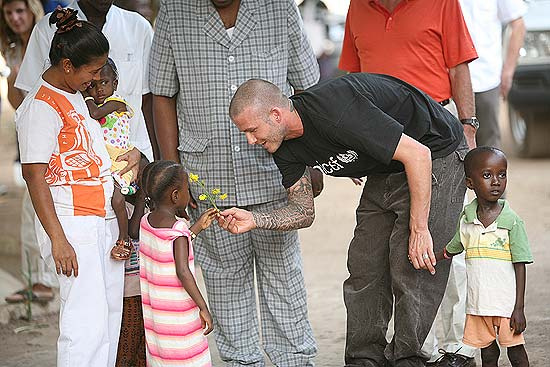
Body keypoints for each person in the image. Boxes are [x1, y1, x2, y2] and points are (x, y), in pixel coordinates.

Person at [220, 74, 469, 367]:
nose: (250, 141)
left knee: (413, 264)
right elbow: (303, 211)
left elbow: (418, 155)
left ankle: (408, 358)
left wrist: (419, 228)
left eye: (252, 130)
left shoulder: (335, 110)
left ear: (275, 114)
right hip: (387, 165)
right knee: (365, 265)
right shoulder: (282, 143)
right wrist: (254, 219)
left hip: (435, 152)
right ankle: (364, 359)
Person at [149, 0, 320, 365]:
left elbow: (307, 86)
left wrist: (312, 159)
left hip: (275, 174)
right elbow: (162, 95)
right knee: (225, 283)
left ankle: (294, 359)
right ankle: (242, 361)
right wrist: (173, 170)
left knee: (283, 281)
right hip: (206, 181)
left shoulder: (279, 8)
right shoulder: (174, 12)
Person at [338, 2, 479, 364]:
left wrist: (468, 127)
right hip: (380, 135)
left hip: (439, 131)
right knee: (393, 251)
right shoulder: (358, 7)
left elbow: (458, 65)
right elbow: (351, 78)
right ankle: (419, 350)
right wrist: (353, 142)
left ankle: (458, 345)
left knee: (443, 243)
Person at [15, 7, 141, 366]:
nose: (97, 77)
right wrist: (58, 239)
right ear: (68, 64)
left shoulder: (72, 94)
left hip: (99, 219)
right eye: (93, 70)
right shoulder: (40, 105)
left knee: (105, 322)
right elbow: (34, 175)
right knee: (84, 327)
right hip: (72, 226)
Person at [14, 0, 156, 161]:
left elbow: (148, 100)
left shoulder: (139, 27)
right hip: (71, 160)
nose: (96, 79)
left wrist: (147, 157)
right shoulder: (47, 29)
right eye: (93, 72)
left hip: (130, 154)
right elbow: (34, 98)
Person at [434, 147, 532, 367]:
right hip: (478, 306)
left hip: (506, 307)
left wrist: (519, 308)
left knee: (516, 353)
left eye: (502, 174)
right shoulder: (466, 219)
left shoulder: (512, 222)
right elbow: (453, 247)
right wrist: (433, 258)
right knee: (487, 355)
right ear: (470, 183)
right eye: (487, 175)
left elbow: (520, 265)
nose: (496, 181)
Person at [0, 0, 57, 304]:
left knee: (35, 208)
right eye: (9, 13)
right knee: (30, 210)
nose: (15, 18)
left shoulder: (47, 40)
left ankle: (43, 281)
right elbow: (16, 102)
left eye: (19, 11)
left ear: (31, 10)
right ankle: (38, 280)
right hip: (30, 136)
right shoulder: (11, 49)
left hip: (52, 136)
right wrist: (12, 78)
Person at [139, 160, 218, 366]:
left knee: (164, 359)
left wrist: (196, 229)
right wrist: (203, 307)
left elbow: (167, 250)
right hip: (179, 316)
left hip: (158, 316)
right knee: (188, 358)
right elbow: (183, 271)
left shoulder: (145, 222)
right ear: (175, 195)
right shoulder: (178, 231)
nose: (188, 194)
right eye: (186, 190)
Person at [84, 58, 135, 260]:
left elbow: (95, 113)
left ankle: (124, 239)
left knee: (117, 198)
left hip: (120, 160)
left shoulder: (116, 103)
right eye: (93, 85)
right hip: (107, 159)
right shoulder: (101, 101)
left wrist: (85, 95)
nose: (99, 90)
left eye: (104, 83)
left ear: (115, 83)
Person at [459, 0, 527, 148]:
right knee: (454, 146)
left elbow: (518, 25)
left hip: (485, 78)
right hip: (448, 81)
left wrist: (508, 72)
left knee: (489, 147)